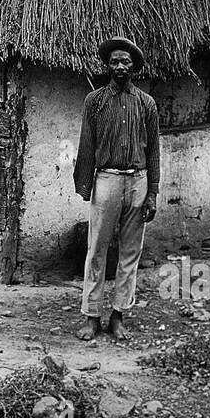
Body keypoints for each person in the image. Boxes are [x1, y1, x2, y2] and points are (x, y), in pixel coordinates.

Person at [72, 36, 160, 342]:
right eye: (115, 61)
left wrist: (153, 192)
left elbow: (154, 153)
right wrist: (85, 185)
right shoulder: (94, 101)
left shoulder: (147, 104)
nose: (120, 67)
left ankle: (119, 314)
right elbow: (87, 144)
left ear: (134, 66)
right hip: (106, 180)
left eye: (126, 62)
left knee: (130, 253)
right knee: (96, 249)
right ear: (107, 65)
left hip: (138, 180)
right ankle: (91, 316)